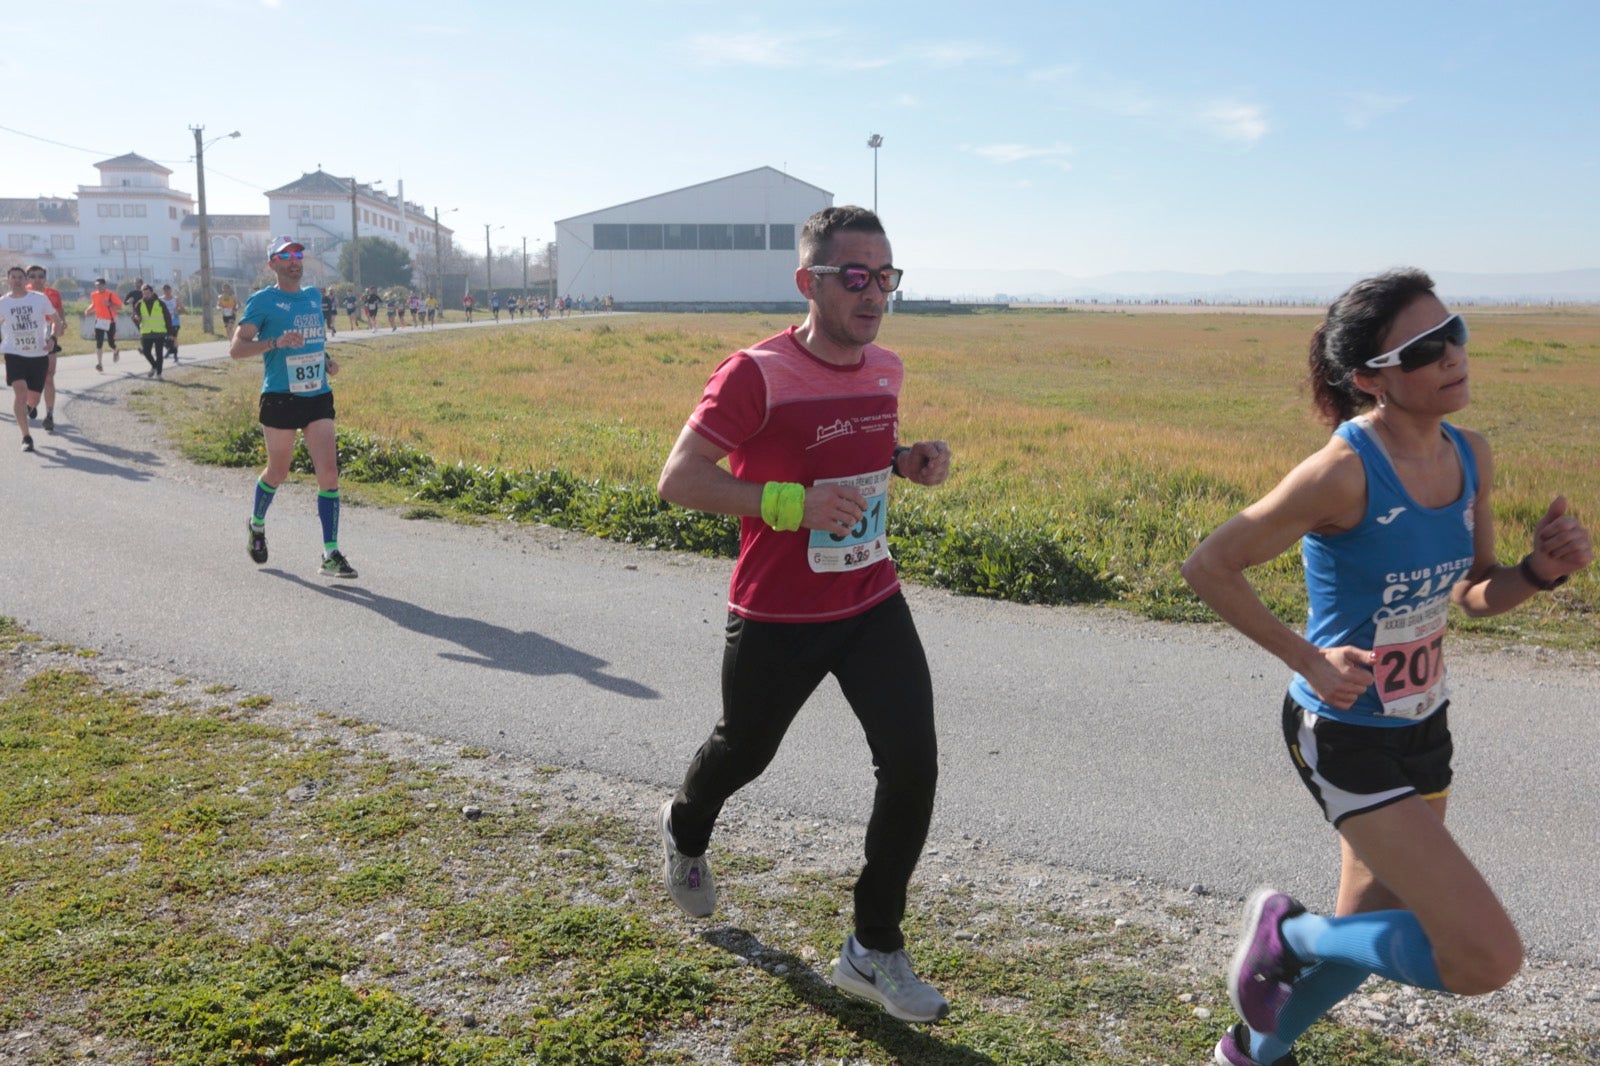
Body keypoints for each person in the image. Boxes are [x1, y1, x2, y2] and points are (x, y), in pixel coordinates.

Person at [1180, 268, 1593, 1066]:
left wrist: (1539, 571)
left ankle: (1248, 1053)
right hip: (1342, 731)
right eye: (1427, 348)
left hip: (1422, 724)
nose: (1453, 356)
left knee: (1362, 932)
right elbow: (1210, 565)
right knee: (1483, 957)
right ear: (1371, 378)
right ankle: (1285, 930)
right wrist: (1307, 655)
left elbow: (1472, 592)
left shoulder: (1471, 454)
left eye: (1457, 333)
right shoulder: (1342, 470)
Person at [656, 206, 954, 1024]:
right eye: (854, 276)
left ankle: (873, 947)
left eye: (886, 275)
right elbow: (679, 480)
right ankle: (685, 828)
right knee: (744, 749)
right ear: (809, 283)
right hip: (778, 610)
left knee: (914, 767)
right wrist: (792, 503)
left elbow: (849, 459)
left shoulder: (885, 367)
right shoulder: (755, 371)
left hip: (871, 597)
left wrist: (904, 462)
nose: (874, 292)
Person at [229, 237, 357, 580]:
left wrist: (325, 360)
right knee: (278, 472)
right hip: (280, 397)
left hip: (317, 395)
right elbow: (237, 349)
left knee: (328, 474)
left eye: (298, 254)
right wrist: (274, 343)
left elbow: (313, 341)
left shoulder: (313, 296)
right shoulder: (263, 301)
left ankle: (330, 552)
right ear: (273, 264)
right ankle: (256, 524)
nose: (294, 260)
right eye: (285, 256)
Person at [3, 265, 58, 453]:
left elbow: (56, 321)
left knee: (33, 399)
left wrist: (52, 339)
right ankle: (26, 437)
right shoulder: (3, 302)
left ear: (26, 280)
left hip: (38, 354)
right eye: (13, 277)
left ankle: (29, 407)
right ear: (8, 280)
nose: (17, 280)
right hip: (14, 353)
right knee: (20, 392)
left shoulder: (40, 299)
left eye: (20, 277)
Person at [24, 266, 66, 432]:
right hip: (27, 339)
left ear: (45, 278)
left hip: (48, 337)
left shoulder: (54, 293)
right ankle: (31, 403)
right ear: (27, 278)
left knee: (48, 376)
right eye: (32, 276)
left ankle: (49, 415)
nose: (37, 279)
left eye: (40, 276)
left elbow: (60, 310)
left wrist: (61, 323)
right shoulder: (22, 292)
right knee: (28, 378)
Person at [131, 283, 173, 379]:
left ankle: (159, 374)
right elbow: (134, 316)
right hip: (146, 332)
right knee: (146, 352)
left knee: (159, 354)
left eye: (148, 293)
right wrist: (137, 319)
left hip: (159, 332)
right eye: (144, 293)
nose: (146, 295)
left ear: (152, 292)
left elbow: (168, 318)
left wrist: (170, 333)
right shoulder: (139, 304)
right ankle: (154, 366)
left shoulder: (160, 303)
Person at [88, 277, 124, 370]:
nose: (98, 287)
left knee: (111, 343)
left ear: (104, 285)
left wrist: (110, 304)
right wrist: (88, 310)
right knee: (99, 343)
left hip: (110, 321)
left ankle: (116, 350)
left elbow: (120, 307)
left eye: (100, 285)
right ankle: (99, 364)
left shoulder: (111, 294)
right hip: (99, 321)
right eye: (97, 285)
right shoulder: (94, 295)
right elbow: (94, 304)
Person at [159, 284, 183, 364]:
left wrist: (177, 310)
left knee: (174, 338)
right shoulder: (160, 299)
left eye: (168, 289)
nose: (167, 291)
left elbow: (182, 309)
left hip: (174, 321)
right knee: (163, 338)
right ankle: (169, 350)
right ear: (163, 291)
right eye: (165, 290)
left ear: (171, 290)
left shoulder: (175, 299)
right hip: (164, 322)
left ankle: (175, 355)